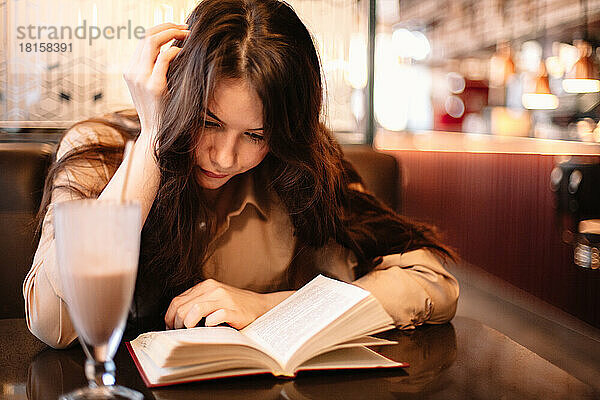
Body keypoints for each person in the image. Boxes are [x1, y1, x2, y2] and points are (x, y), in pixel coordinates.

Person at [24, 0, 459, 349]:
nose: (225, 157)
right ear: (173, 91)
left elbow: (432, 282)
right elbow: (53, 321)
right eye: (208, 122)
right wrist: (156, 139)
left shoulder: (299, 170)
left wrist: (275, 307)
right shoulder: (98, 151)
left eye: (255, 134)